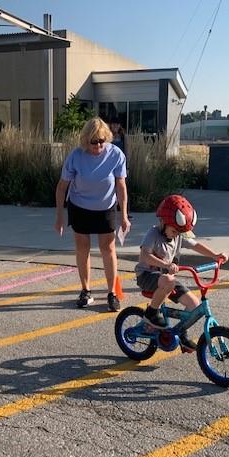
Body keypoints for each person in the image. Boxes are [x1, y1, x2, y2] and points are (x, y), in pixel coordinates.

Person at [54, 117, 131, 312]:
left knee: (108, 248)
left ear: (107, 138)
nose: (98, 145)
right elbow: (62, 187)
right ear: (85, 140)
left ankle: (112, 293)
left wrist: (124, 216)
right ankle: (86, 291)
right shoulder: (76, 156)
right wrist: (59, 217)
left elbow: (121, 186)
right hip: (79, 206)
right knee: (82, 248)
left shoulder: (116, 155)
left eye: (101, 141)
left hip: (106, 207)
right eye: (93, 142)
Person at [135, 194, 228, 352]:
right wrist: (165, 264)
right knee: (168, 280)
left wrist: (215, 255)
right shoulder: (153, 235)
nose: (176, 234)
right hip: (146, 276)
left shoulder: (177, 235)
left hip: (166, 279)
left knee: (194, 305)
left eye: (179, 232)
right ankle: (151, 313)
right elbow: (144, 256)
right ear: (163, 222)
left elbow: (195, 245)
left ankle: (180, 333)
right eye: (174, 231)